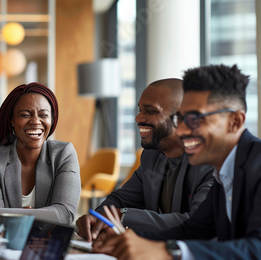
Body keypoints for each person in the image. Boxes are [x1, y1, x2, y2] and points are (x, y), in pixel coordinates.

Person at [94, 64, 261, 260]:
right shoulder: (226, 169)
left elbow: (258, 250)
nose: (181, 131)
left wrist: (169, 252)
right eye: (180, 119)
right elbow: (194, 230)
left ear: (235, 121)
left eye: (194, 120)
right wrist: (127, 243)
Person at [76, 79, 214, 242]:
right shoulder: (151, 156)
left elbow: (197, 225)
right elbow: (119, 200)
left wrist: (123, 216)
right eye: (140, 110)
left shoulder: (213, 162)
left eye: (150, 111)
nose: (138, 118)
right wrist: (98, 219)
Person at [0, 82, 81, 225]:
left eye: (44, 115)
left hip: (49, 243)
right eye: (25, 115)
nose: (36, 121)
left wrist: (16, 213)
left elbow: (65, 214)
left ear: (52, 119)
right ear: (12, 120)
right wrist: (39, 214)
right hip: (6, 242)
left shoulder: (64, 154)